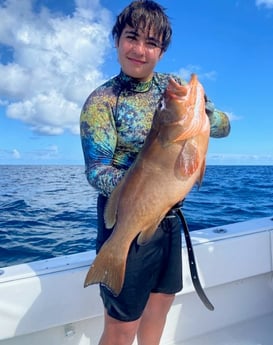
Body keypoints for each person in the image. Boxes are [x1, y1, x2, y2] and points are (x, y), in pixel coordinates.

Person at [80, 1, 230, 344]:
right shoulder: (102, 102)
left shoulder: (170, 89)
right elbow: (96, 171)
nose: (140, 49)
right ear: (117, 40)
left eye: (152, 43)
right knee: (121, 325)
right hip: (125, 221)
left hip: (169, 218)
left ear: (161, 52)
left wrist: (204, 108)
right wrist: (142, 187)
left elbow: (223, 127)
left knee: (161, 303)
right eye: (132, 38)